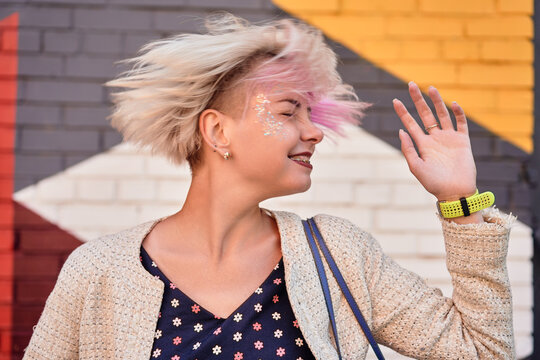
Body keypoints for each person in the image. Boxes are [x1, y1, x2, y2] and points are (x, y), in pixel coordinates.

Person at [22, 13, 516, 360]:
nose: (315, 130)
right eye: (288, 111)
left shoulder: (337, 253)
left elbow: (482, 351)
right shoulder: (99, 272)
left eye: (311, 111)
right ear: (217, 131)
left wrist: (459, 200)